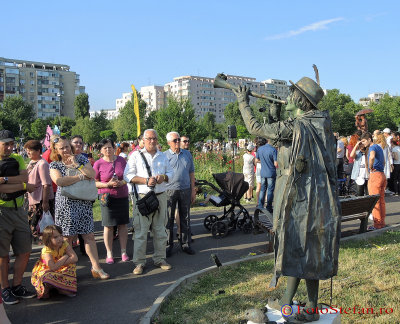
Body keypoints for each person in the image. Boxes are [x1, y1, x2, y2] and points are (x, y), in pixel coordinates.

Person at [233, 77, 339, 322]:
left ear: (300, 101)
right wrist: (273, 115)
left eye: (292, 94)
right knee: (305, 249)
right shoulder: (316, 123)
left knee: (300, 247)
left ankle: (306, 307)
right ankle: (292, 303)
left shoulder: (299, 127)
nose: (288, 97)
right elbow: (279, 140)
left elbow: (256, 130)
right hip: (314, 196)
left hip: (303, 198)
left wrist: (242, 101)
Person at [49, 136, 109, 279]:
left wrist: (77, 165)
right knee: (67, 238)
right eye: (62, 148)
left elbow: (92, 174)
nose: (66, 150)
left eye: (67, 146)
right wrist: (80, 177)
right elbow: (60, 181)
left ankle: (96, 268)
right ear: (56, 150)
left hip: (83, 202)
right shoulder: (54, 165)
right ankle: (68, 272)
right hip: (66, 204)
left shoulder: (81, 159)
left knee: (89, 236)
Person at [124, 129, 174, 275]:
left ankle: (160, 258)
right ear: (143, 140)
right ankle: (139, 262)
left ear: (157, 140)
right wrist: (145, 180)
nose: (152, 141)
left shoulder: (162, 156)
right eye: (149, 138)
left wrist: (163, 177)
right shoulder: (135, 156)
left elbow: (171, 173)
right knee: (140, 231)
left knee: (160, 229)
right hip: (143, 196)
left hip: (160, 195)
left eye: (154, 138)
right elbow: (127, 175)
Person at [0, 130, 37, 305]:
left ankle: (17, 285)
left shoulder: (17, 158)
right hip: (2, 213)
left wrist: (6, 180)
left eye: (11, 144)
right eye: (5, 144)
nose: (9, 147)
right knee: (3, 255)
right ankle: (5, 288)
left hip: (19, 211)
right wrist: (22, 185)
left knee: (25, 250)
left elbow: (25, 177)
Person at [94, 139, 130, 264]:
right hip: (107, 198)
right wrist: (107, 184)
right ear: (100, 151)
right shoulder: (98, 164)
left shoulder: (121, 160)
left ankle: (124, 251)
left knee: (122, 224)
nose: (108, 150)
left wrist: (122, 182)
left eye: (110, 147)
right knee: (108, 226)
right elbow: (94, 182)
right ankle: (109, 253)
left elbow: (128, 176)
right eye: (105, 148)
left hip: (122, 195)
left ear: (114, 147)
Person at [165, 132, 196, 256]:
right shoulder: (164, 156)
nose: (177, 142)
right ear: (169, 143)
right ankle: (168, 245)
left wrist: (193, 189)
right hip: (169, 190)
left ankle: (185, 243)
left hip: (185, 189)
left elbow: (191, 173)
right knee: (169, 219)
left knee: (185, 218)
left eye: (179, 140)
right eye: (175, 140)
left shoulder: (187, 154)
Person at [31, 225, 78, 298]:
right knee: (46, 276)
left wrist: (59, 263)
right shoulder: (46, 250)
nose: (60, 239)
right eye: (55, 237)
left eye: (60, 236)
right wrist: (65, 256)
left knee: (71, 266)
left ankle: (59, 287)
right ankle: (49, 287)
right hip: (47, 268)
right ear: (48, 239)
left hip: (59, 266)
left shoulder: (64, 244)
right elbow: (52, 267)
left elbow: (75, 258)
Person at [25, 140, 54, 240]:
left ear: (38, 151)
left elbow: (46, 184)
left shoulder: (42, 164)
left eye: (30, 150)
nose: (28, 152)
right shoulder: (32, 162)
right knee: (33, 227)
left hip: (40, 200)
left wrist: (45, 202)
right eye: (26, 150)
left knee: (39, 228)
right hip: (32, 199)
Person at [361, 132, 386, 229]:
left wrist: (370, 167)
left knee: (375, 201)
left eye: (364, 141)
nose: (363, 143)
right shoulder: (379, 146)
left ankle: (377, 224)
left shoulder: (372, 148)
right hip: (382, 174)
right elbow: (383, 161)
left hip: (375, 175)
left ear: (369, 139)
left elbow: (371, 156)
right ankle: (381, 223)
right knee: (381, 200)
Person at [255, 139, 277, 213]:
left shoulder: (260, 149)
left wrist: (263, 161)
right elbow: (276, 164)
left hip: (263, 172)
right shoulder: (273, 150)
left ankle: (260, 206)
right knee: (270, 190)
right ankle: (269, 207)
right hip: (271, 172)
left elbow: (256, 160)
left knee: (262, 189)